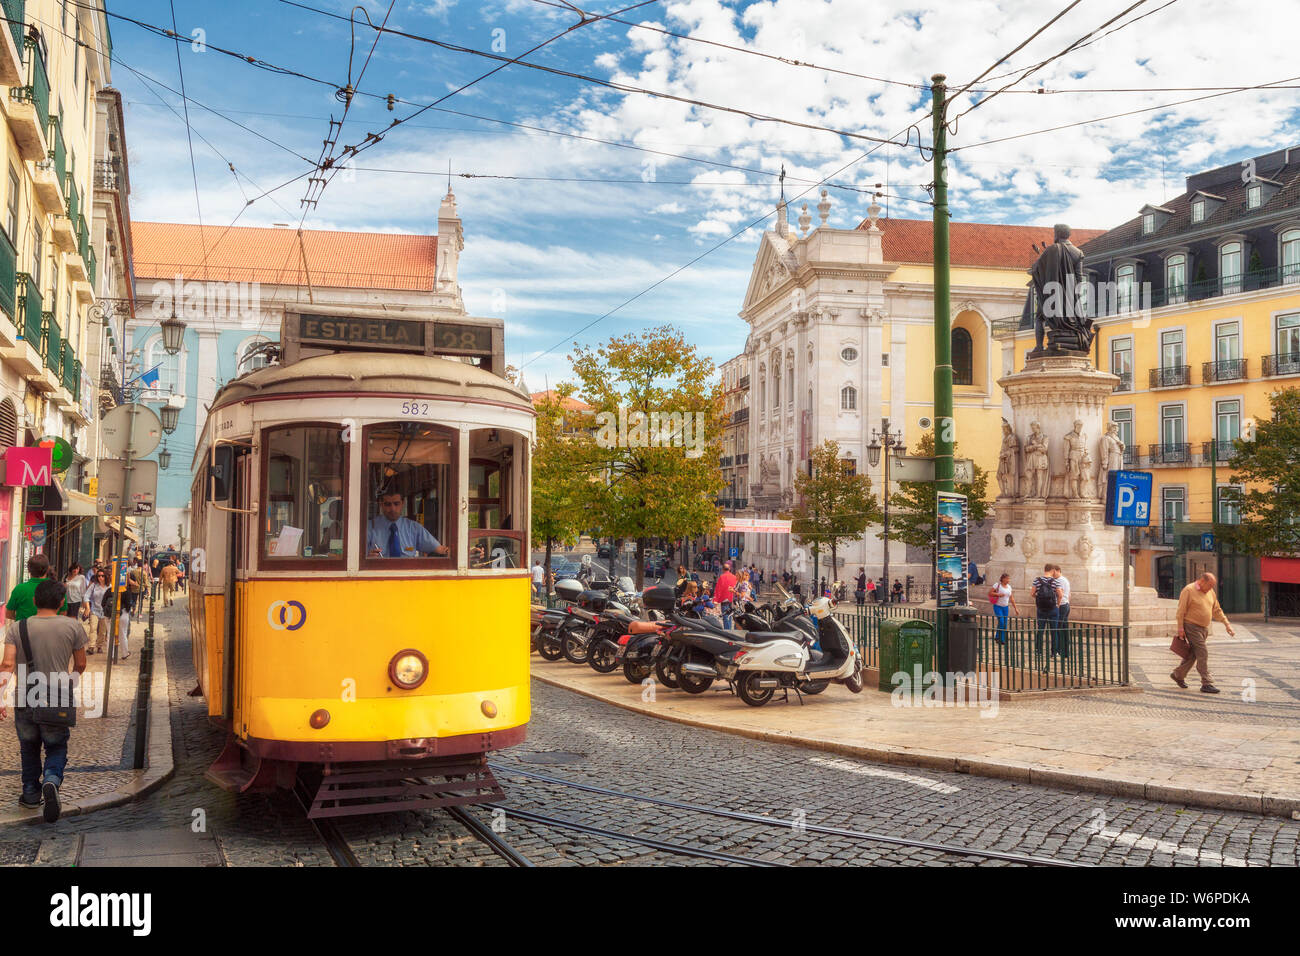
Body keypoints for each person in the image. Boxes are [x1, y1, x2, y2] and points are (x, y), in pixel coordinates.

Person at [0, 579, 87, 821]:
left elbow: (7, 664)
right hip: (57, 695)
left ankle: (30, 793)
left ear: (35, 601)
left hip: (25, 696)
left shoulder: (17, 628)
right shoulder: (73, 627)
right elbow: (80, 665)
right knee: (56, 745)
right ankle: (51, 779)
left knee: (28, 747)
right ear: (62, 603)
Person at [1172, 572, 1235, 694]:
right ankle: (1206, 683)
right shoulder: (1188, 590)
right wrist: (1180, 629)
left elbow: (1216, 610)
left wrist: (1227, 624)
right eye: (1210, 585)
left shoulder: (1210, 592)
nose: (1211, 588)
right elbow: (1180, 611)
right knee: (1202, 653)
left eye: (1213, 586)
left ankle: (1178, 675)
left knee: (1193, 654)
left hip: (1204, 628)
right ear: (1202, 581)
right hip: (1191, 627)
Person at [367, 491, 450, 557]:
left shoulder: (414, 528)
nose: (392, 509)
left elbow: (438, 549)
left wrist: (448, 552)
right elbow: (357, 556)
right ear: (381, 504)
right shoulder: (369, 527)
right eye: (388, 504)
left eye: (396, 504)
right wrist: (367, 557)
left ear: (403, 503)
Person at [5, 556, 65, 622]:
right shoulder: (57, 588)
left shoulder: (19, 589)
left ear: (28, 570)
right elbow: (63, 613)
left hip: (25, 630)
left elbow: (9, 614)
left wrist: (22, 621)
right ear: (48, 569)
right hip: (51, 629)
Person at [1030, 564, 1061, 669]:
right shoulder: (1056, 581)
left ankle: (1038, 650)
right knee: (1054, 631)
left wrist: (1038, 598)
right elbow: (1060, 594)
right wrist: (1057, 604)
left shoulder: (1037, 580)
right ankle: (1054, 652)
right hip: (1053, 609)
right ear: (1052, 570)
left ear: (1044, 570)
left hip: (1041, 609)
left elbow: (1032, 593)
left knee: (1041, 630)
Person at [989, 573, 1019, 645]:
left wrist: (1016, 608)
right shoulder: (997, 585)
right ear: (1003, 579)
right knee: (1002, 622)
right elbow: (990, 593)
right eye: (1007, 578)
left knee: (1004, 623)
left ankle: (997, 636)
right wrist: (998, 594)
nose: (1009, 580)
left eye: (1009, 578)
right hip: (997, 606)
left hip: (1005, 607)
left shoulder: (1009, 587)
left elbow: (1011, 598)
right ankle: (1002, 639)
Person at [85, 570, 110, 655]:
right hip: (94, 610)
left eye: (102, 576)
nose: (100, 577)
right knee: (93, 628)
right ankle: (91, 647)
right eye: (99, 576)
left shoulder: (109, 586)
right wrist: (87, 608)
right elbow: (86, 596)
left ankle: (99, 646)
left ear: (106, 576)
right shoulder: (94, 586)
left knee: (102, 631)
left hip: (104, 612)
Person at [1050, 565, 1072, 660]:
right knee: (1064, 629)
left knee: (1058, 629)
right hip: (1066, 605)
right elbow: (1069, 594)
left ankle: (1057, 651)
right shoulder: (1065, 580)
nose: (1052, 574)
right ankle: (1066, 652)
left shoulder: (1060, 580)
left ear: (1058, 571)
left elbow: (1060, 594)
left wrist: (1057, 606)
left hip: (1061, 606)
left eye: (1053, 572)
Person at [714, 561, 738, 628]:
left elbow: (718, 589)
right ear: (729, 569)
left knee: (725, 617)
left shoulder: (722, 577)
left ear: (723, 569)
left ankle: (728, 632)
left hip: (724, 599)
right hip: (732, 599)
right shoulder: (734, 577)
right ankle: (729, 630)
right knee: (730, 616)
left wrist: (715, 600)